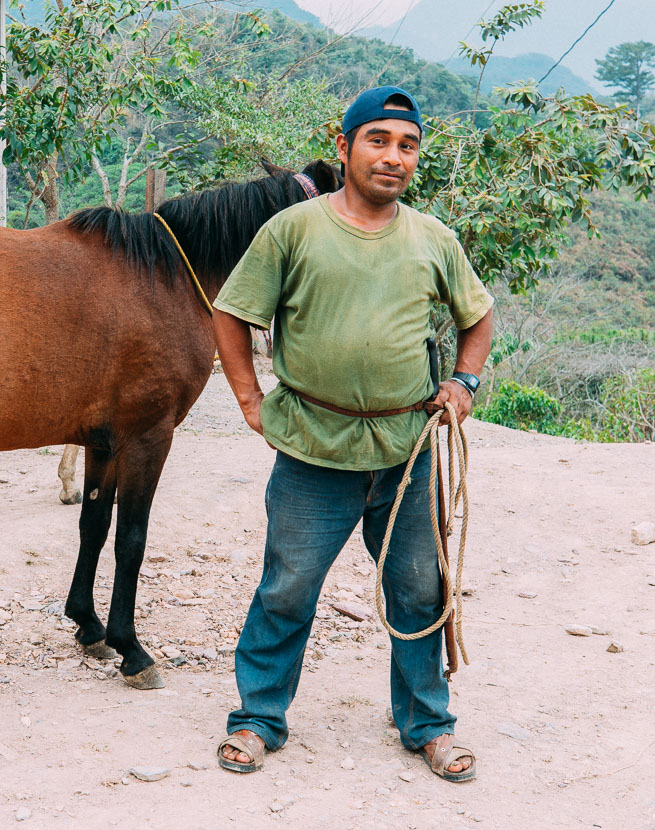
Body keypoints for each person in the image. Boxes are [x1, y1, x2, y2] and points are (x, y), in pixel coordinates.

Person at [211, 86, 494, 782]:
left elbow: (477, 319)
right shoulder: (293, 230)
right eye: (377, 141)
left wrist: (462, 384)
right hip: (312, 450)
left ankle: (427, 724)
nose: (392, 158)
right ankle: (257, 719)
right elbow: (231, 313)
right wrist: (249, 399)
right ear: (343, 148)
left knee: (421, 591)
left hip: (407, 452)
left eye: (406, 146)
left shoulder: (433, 239)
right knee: (287, 587)